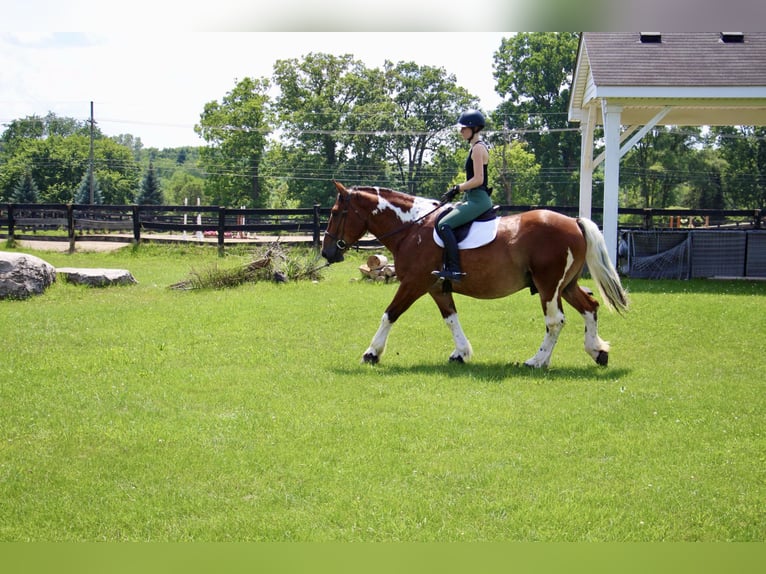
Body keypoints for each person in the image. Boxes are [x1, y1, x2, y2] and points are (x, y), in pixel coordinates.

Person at [432, 109, 493, 282]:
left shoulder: (478, 149)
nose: (461, 132)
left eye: (464, 128)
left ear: (474, 128)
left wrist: (457, 188)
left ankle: (455, 270)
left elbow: (479, 179)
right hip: (471, 197)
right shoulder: (475, 148)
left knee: (444, 225)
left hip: (478, 199)